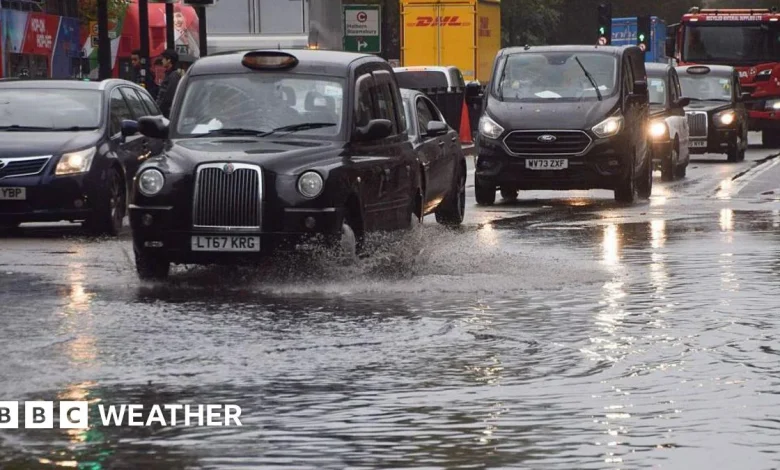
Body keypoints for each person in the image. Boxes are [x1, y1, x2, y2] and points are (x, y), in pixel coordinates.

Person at [156, 49, 182, 118]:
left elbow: (168, 96)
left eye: (163, 59)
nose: (162, 61)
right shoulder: (169, 74)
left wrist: (159, 110)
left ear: (169, 60)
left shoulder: (174, 75)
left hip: (167, 113)